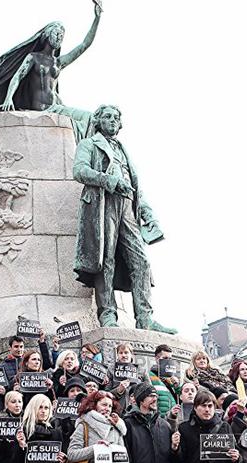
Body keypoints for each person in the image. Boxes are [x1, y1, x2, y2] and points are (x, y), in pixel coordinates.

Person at [71, 104, 175, 333]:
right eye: (107, 116)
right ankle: (108, 315)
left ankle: (145, 318)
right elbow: (79, 171)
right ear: (98, 121)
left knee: (141, 262)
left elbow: (136, 188)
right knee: (105, 260)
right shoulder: (89, 144)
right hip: (103, 203)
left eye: (116, 118)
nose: (112, 120)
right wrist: (109, 181)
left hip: (127, 206)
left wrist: (148, 215)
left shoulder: (123, 150)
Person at [0, 3, 102, 119]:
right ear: (46, 35)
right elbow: (18, 76)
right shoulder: (33, 57)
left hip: (56, 108)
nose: (59, 37)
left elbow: (84, 45)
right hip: (40, 108)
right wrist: (8, 98)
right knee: (87, 118)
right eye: (56, 33)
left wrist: (97, 18)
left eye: (62, 35)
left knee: (88, 118)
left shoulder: (58, 62)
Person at [149, 344, 181, 421]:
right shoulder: (150, 376)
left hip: (173, 419)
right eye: (165, 358)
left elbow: (181, 400)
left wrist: (177, 386)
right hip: (158, 419)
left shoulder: (173, 379)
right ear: (157, 359)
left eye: (170, 359)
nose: (168, 361)